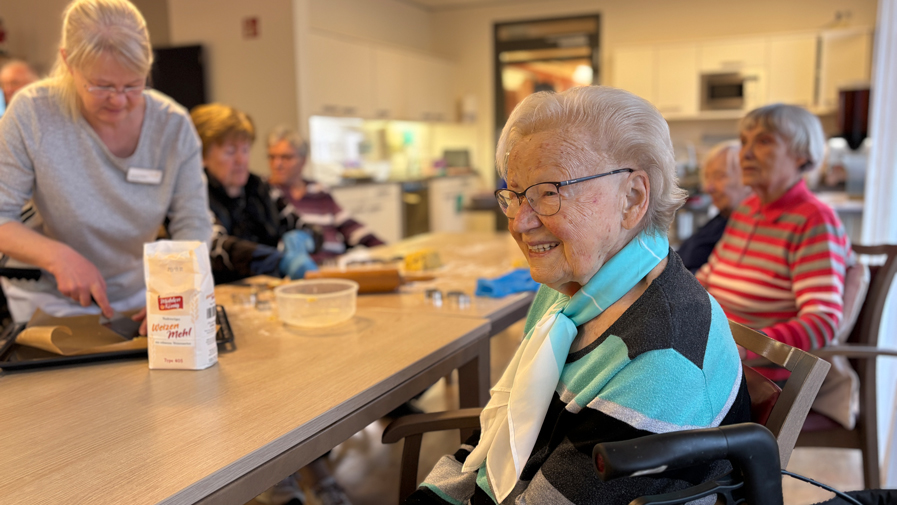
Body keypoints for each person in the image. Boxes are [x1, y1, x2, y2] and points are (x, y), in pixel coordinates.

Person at [407, 86, 750, 505]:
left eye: (548, 192)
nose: (520, 222)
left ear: (633, 198)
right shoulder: (569, 294)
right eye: (514, 196)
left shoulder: (661, 359)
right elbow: (500, 429)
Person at [0, 0, 211, 330]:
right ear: (69, 62)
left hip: (138, 294)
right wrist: (57, 256)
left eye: (133, 85)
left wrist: (176, 292)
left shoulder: (172, 126)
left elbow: (193, 222)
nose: (119, 100)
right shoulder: (33, 113)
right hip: (49, 300)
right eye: (101, 86)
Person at [697, 104, 852, 382]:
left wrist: (745, 348)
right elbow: (708, 278)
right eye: (744, 142)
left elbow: (822, 323)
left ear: (802, 155)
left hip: (760, 377)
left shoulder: (814, 219)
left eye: (764, 141)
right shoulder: (746, 209)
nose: (746, 153)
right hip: (715, 356)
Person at [190, 104, 317, 285]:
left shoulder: (261, 188)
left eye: (245, 149)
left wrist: (305, 239)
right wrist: (279, 261)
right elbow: (215, 247)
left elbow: (308, 228)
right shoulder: (193, 194)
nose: (241, 161)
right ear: (201, 155)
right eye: (230, 151)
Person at [267, 125, 384, 264]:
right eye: (272, 157)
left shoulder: (318, 190)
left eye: (286, 157)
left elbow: (350, 226)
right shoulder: (266, 192)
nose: (277, 164)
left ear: (303, 160)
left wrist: (386, 250)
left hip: (336, 264)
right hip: (299, 270)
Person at [677, 140, 751, 273]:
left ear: (747, 178)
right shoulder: (720, 219)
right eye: (707, 178)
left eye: (719, 176)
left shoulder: (748, 232)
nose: (708, 188)